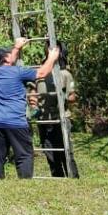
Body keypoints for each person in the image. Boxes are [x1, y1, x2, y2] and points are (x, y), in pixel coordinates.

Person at [0, 36, 59, 179]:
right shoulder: (17, 72)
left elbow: (8, 59)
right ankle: (25, 183)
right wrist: (51, 57)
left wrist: (17, 47)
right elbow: (41, 73)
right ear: (6, 59)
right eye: (9, 53)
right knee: (24, 154)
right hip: (15, 122)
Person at [28, 42, 79, 178]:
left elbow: (72, 96)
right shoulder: (39, 73)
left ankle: (73, 178)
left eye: (55, 49)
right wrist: (33, 103)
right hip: (44, 119)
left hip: (61, 117)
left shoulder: (65, 74)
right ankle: (57, 178)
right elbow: (32, 91)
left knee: (66, 150)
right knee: (49, 151)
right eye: (49, 48)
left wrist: (65, 96)